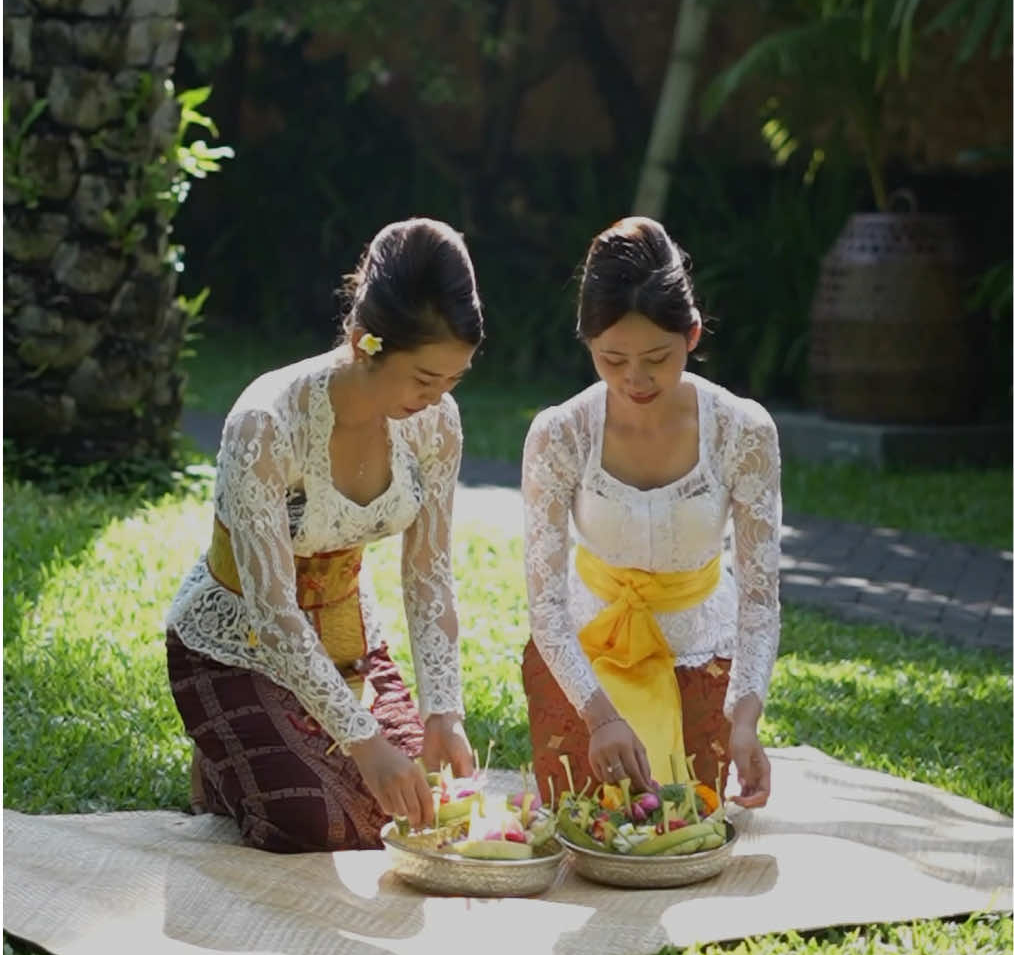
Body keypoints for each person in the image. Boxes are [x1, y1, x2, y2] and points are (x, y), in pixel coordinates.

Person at [166, 217, 482, 853]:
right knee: (316, 821)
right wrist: (364, 743)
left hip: (346, 639)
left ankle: (270, 755)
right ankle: (225, 767)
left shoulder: (435, 425)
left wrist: (443, 711)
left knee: (412, 805)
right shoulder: (266, 424)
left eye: (454, 379)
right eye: (424, 379)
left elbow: (428, 576)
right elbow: (275, 617)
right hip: (237, 645)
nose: (439, 397)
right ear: (367, 342)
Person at [521, 216, 781, 808]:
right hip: (586, 661)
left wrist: (745, 716)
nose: (635, 379)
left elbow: (759, 597)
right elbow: (547, 606)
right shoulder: (560, 434)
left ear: (691, 335)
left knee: (685, 820)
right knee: (590, 819)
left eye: (657, 358)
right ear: (587, 341)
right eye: (612, 359)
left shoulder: (742, 431)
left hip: (700, 658)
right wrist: (599, 715)